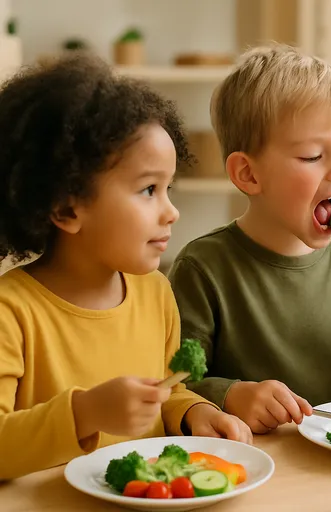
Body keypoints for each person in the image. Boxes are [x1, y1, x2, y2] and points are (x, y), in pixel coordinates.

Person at [0, 54, 251, 480]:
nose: (171, 211)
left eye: (169, 188)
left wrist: (193, 412)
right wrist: (85, 413)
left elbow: (166, 393)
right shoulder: (12, 312)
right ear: (65, 207)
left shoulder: (155, 291)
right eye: (148, 189)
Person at [167, 44, 331, 434]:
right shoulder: (203, 267)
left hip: (329, 453)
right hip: (239, 459)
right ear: (249, 174)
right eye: (311, 156)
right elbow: (173, 387)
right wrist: (232, 395)